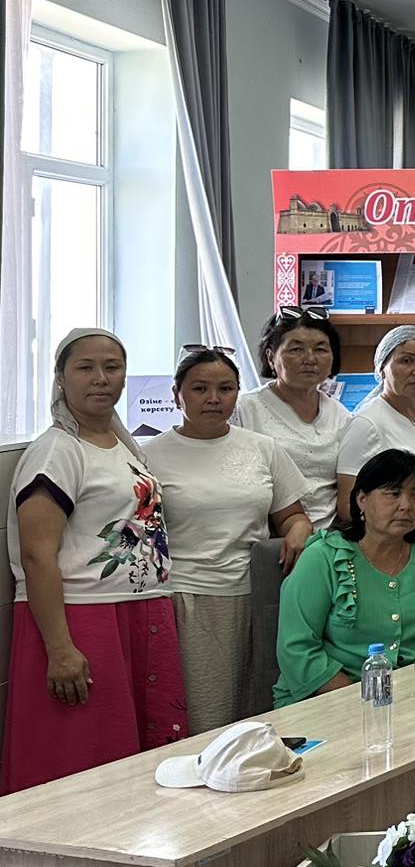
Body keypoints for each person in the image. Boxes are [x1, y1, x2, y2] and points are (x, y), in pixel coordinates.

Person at [1, 329, 185, 793]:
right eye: (86, 367)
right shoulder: (58, 450)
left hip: (138, 611)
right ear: (61, 377)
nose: (101, 378)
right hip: (83, 619)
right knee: (82, 757)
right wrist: (61, 649)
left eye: (112, 367)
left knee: (139, 761)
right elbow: (36, 554)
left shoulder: (121, 444)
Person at [146, 348, 313, 731]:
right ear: (176, 395)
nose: (213, 398)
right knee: (202, 715)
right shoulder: (148, 456)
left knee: (255, 708)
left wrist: (299, 530)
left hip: (256, 593)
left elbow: (292, 515)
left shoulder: (263, 448)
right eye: (199, 388)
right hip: (185, 598)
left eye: (225, 388)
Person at [273, 448, 415, 706]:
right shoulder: (323, 557)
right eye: (393, 493)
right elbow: (297, 647)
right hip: (327, 696)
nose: (406, 505)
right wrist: (363, 698)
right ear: (362, 499)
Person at [232, 305, 349, 529]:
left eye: (321, 349)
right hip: (266, 537)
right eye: (296, 349)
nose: (310, 359)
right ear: (271, 358)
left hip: (329, 537)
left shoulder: (342, 416)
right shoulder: (244, 409)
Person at [336, 324, 415, 526]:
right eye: (406, 361)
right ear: (382, 370)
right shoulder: (367, 423)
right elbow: (348, 506)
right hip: (402, 534)